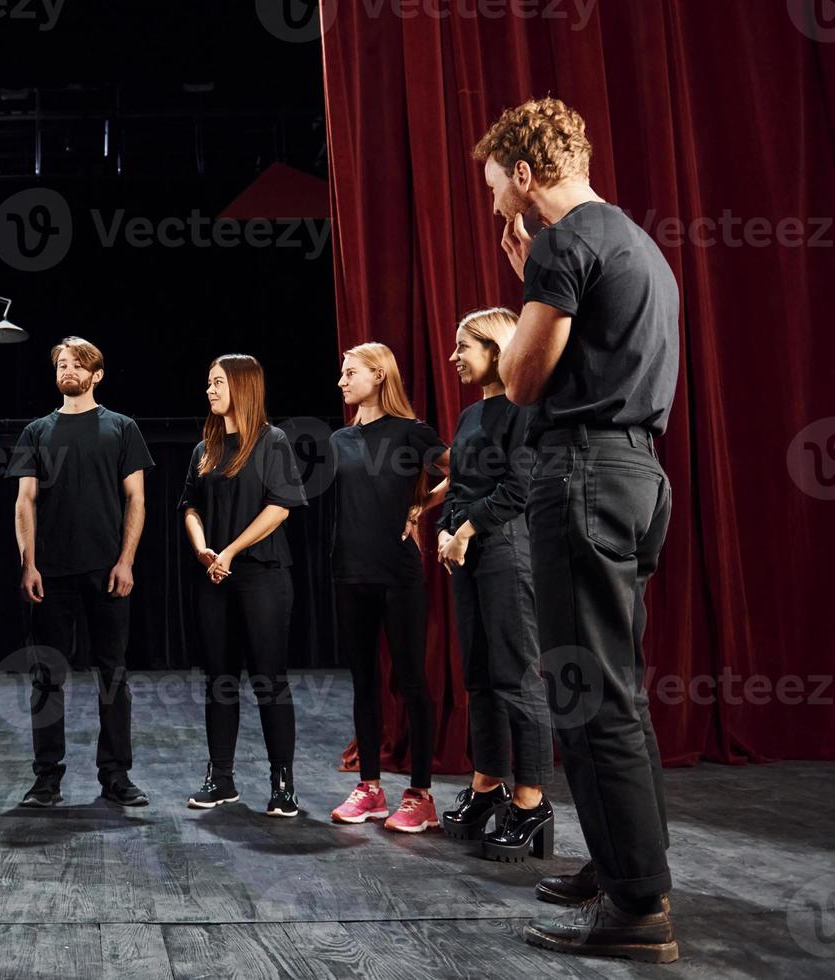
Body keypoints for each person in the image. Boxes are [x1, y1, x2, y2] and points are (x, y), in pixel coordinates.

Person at [476, 97, 681, 963]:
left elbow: (520, 382)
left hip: (586, 477)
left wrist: (529, 281)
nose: (493, 209)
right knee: (615, 689)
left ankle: (638, 909)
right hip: (639, 478)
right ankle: (624, 864)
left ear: (525, 175)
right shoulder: (638, 242)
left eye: (495, 189)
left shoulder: (561, 242)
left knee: (585, 696)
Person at [7, 337, 154, 808]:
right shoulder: (37, 431)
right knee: (47, 677)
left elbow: (137, 499)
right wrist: (28, 563)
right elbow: (24, 500)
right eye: (62, 364)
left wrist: (126, 560)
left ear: (97, 374)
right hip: (50, 573)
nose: (68, 369)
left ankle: (115, 776)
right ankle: (46, 778)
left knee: (112, 674)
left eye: (78, 364)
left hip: (107, 570)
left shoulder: (122, 428)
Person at [436, 309, 554, 861]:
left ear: (497, 348)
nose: (455, 356)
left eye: (465, 347)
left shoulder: (524, 410)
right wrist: (444, 531)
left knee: (515, 676)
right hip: (467, 551)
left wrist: (464, 530)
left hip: (506, 549)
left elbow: (518, 487)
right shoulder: (468, 416)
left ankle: (531, 801)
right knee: (480, 675)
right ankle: (488, 785)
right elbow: (459, 484)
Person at [326, 342, 448, 834]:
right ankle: (371, 787)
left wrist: (422, 507)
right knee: (363, 682)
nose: (341, 381)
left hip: (398, 573)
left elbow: (457, 470)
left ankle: (420, 793)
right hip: (350, 572)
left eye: (350, 372)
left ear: (378, 375)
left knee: (411, 681)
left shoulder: (412, 433)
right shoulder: (338, 440)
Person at [180, 354, 306, 817]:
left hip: (262, 575)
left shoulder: (272, 442)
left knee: (270, 681)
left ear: (242, 386)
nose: (210, 390)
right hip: (214, 576)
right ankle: (221, 778)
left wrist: (230, 550)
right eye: (208, 382)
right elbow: (189, 506)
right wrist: (203, 550)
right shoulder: (204, 449)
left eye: (217, 383)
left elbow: (280, 507)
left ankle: (283, 783)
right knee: (219, 681)